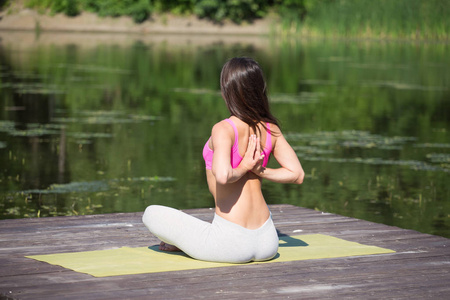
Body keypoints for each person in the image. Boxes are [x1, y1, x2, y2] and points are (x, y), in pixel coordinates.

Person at [142, 57, 304, 263]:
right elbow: (297, 174)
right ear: (259, 89)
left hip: (230, 244)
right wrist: (261, 171)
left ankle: (186, 243)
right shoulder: (270, 129)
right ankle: (191, 241)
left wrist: (247, 166)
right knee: (204, 227)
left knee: (151, 213)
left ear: (227, 90)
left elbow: (223, 175)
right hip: (268, 242)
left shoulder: (224, 129)